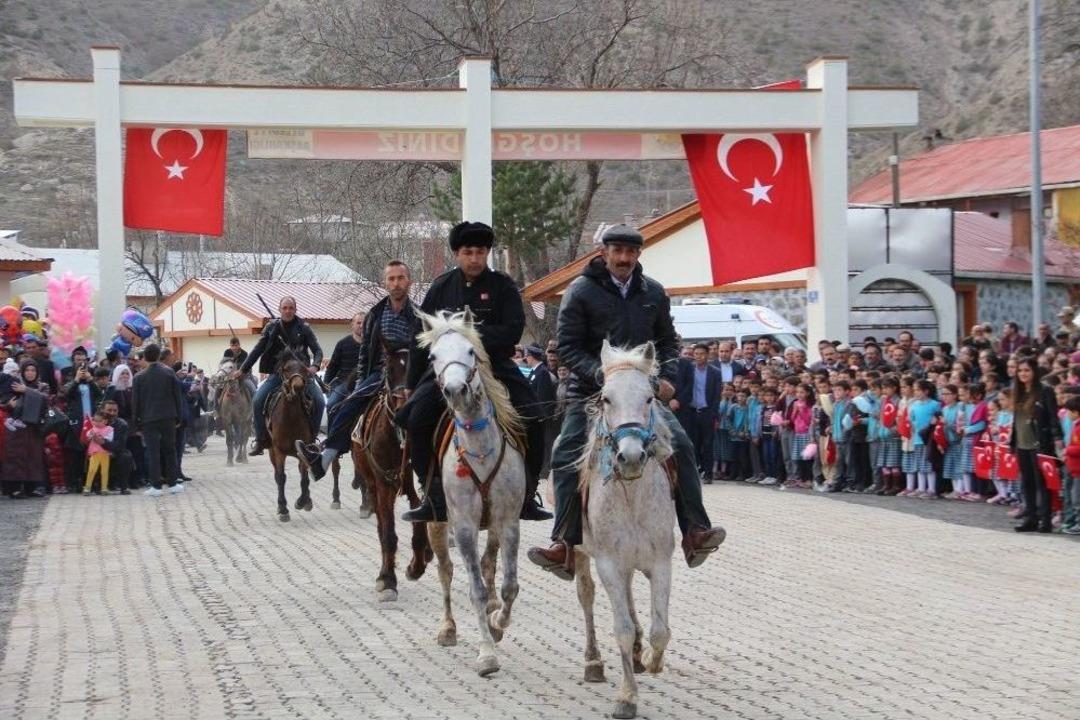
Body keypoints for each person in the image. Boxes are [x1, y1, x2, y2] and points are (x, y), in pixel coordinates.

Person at [527, 224, 725, 578]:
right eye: (617, 251)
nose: (623, 258)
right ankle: (564, 544)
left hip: (640, 393)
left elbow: (668, 342)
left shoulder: (654, 292)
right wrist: (604, 376)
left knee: (681, 444)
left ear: (638, 255)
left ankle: (695, 531)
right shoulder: (580, 291)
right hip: (590, 392)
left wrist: (667, 378)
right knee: (565, 452)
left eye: (630, 252)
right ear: (603, 253)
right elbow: (568, 347)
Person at [394, 223, 551, 523]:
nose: (475, 258)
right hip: (447, 370)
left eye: (480, 252)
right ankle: (432, 495)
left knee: (534, 415)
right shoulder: (441, 287)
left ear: (488, 253)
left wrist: (470, 336)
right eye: (468, 252)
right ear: (456, 254)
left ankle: (528, 495)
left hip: (495, 366)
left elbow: (513, 329)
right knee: (414, 419)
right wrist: (411, 383)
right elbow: (419, 337)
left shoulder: (503, 286)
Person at [297, 260, 418, 479]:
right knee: (347, 405)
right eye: (391, 279)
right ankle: (324, 459)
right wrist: (361, 383)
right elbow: (365, 353)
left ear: (409, 281)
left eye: (401, 278)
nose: (396, 283)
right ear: (384, 283)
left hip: (410, 375)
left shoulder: (419, 315)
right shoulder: (375, 315)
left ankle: (434, 479)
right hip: (380, 373)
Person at [236, 296, 325, 456]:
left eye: (291, 308)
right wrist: (243, 370)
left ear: (295, 310)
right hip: (278, 374)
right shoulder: (271, 327)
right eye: (285, 308)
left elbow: (317, 350)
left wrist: (315, 366)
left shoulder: (304, 327)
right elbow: (257, 350)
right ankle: (261, 439)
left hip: (301, 374)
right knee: (257, 400)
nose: (288, 311)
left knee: (319, 400)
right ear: (279, 310)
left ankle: (312, 440)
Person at [1011, 357, 1059, 532]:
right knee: (1027, 483)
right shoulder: (1018, 391)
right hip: (1022, 443)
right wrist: (1013, 441)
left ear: (1034, 372)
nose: (1023, 374)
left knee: (1042, 483)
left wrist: (1056, 437)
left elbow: (1052, 416)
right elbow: (1016, 420)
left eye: (1027, 370)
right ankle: (1031, 518)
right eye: (1020, 370)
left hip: (1039, 443)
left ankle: (1045, 520)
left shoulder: (1045, 391)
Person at [133, 343, 184, 496]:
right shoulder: (169, 373)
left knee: (153, 452)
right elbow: (177, 396)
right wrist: (179, 417)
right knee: (170, 450)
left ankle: (156, 486)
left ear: (145, 357)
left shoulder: (139, 377)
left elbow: (135, 402)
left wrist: (136, 423)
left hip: (148, 419)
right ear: (158, 356)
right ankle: (173, 483)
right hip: (168, 417)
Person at [0, 360, 50, 498]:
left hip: (34, 427)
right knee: (15, 457)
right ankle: (14, 488)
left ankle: (32, 487)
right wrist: (8, 405)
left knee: (33, 457)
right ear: (22, 372)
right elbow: (4, 401)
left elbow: (46, 399)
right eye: (27, 370)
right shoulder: (14, 384)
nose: (30, 373)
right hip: (16, 428)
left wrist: (27, 390)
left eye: (33, 370)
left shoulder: (42, 386)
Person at [673, 342, 722, 481]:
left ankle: (708, 473)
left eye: (702, 354)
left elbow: (716, 396)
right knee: (692, 443)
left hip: (707, 411)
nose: (699, 356)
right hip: (690, 411)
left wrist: (714, 414)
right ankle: (695, 471)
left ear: (708, 355)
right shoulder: (688, 370)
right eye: (696, 354)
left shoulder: (715, 372)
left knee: (708, 444)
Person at [523, 345, 558, 479]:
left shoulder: (542, 372)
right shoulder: (535, 372)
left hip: (540, 418)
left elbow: (543, 397)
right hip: (534, 416)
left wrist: (541, 416)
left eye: (527, 356)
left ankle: (545, 470)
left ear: (532, 357)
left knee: (544, 444)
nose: (526, 358)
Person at [323, 312, 365, 412]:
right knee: (331, 405)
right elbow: (333, 367)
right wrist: (325, 383)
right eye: (358, 323)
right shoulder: (342, 344)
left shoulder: (373, 345)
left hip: (365, 383)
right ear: (352, 325)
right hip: (344, 383)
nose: (361, 326)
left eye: (364, 323)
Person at [99, 399, 133, 495]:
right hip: (97, 452)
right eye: (109, 410)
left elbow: (120, 445)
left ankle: (123, 486)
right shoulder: (96, 422)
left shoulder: (122, 424)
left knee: (126, 455)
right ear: (102, 410)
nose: (112, 413)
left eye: (115, 410)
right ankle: (96, 485)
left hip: (115, 452)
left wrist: (104, 443)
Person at [81, 411, 114, 495]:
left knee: (104, 471)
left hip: (105, 453)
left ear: (105, 421)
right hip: (95, 453)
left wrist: (100, 437)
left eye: (99, 421)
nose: (97, 423)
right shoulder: (92, 429)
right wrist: (90, 436)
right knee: (92, 470)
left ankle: (104, 488)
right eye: (95, 421)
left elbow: (109, 439)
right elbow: (87, 436)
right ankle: (87, 488)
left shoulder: (109, 429)